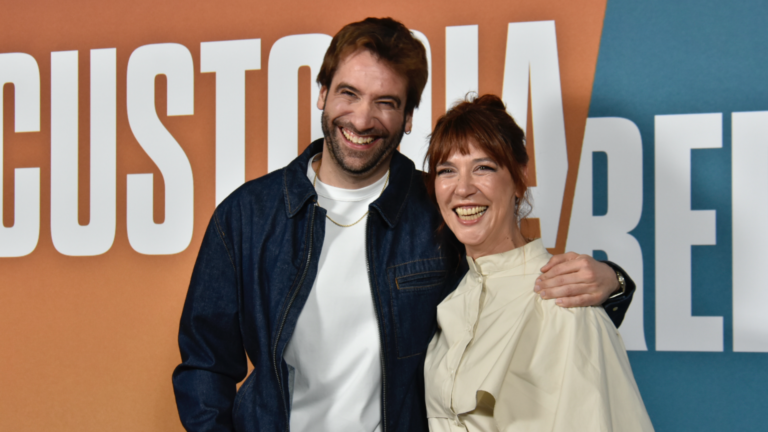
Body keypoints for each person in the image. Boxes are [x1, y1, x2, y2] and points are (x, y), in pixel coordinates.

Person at [172, 18, 636, 432]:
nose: (362, 119)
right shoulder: (247, 215)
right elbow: (205, 364)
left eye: (385, 102)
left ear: (408, 117)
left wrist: (614, 283)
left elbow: (509, 298)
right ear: (322, 94)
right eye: (348, 93)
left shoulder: (437, 206)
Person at [422, 94, 653, 431]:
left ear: (519, 178)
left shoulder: (565, 300)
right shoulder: (449, 298)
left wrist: (615, 280)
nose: (463, 188)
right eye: (447, 171)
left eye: (483, 167)